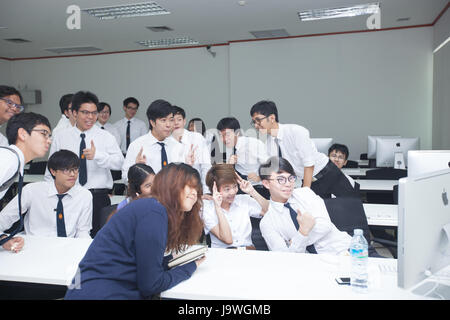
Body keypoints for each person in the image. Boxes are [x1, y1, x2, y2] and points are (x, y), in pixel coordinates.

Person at [64, 163, 205, 300]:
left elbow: (137, 262)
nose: (194, 193)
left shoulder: (151, 207)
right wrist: (190, 267)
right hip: (101, 293)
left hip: (98, 290)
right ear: (172, 185)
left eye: (197, 189)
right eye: (190, 186)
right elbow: (151, 285)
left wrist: (168, 262)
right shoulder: (154, 211)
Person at [45, 91, 124, 237]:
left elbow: (120, 163)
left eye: (94, 113)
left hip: (98, 198)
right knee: (68, 238)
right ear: (74, 113)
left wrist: (98, 156)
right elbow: (50, 169)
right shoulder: (62, 137)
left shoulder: (106, 136)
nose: (90, 117)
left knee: (99, 240)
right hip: (70, 196)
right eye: (85, 112)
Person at [250, 100, 358, 199]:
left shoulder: (295, 131)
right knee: (318, 215)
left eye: (258, 120)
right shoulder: (268, 143)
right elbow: (277, 167)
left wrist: (305, 191)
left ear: (272, 118)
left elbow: (309, 164)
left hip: (328, 174)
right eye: (253, 122)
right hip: (311, 182)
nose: (256, 125)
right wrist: (259, 178)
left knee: (352, 207)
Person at [258, 156, 351, 255]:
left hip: (343, 249)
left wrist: (294, 241)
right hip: (309, 263)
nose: (288, 184)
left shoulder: (306, 193)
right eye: (281, 179)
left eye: (291, 178)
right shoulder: (267, 223)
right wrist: (302, 232)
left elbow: (325, 226)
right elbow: (284, 257)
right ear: (266, 183)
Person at [0, 150, 92, 238]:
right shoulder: (32, 190)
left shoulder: (84, 195)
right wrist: (2, 237)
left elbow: (83, 231)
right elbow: (5, 218)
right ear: (53, 171)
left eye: (75, 169)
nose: (72, 174)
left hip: (67, 246)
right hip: (35, 243)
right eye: (66, 170)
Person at [0, 112, 52, 252]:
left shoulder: (12, 160)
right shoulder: (7, 159)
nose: (49, 140)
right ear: (22, 134)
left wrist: (2, 239)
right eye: (43, 133)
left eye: (49, 136)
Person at [202, 164, 269, 249]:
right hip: (222, 256)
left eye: (235, 186)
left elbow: (271, 212)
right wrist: (217, 207)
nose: (233, 192)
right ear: (214, 189)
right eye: (227, 189)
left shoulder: (243, 200)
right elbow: (228, 240)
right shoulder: (207, 208)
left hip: (248, 253)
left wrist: (252, 191)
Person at [122, 99, 188, 180]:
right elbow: (125, 177)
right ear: (152, 122)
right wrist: (136, 169)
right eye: (163, 120)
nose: (168, 125)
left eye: (171, 120)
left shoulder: (177, 146)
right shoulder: (137, 145)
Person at [216, 117, 270, 198]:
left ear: (237, 133)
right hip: (240, 190)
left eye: (227, 135)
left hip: (258, 190)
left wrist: (260, 177)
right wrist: (229, 165)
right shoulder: (230, 148)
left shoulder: (253, 144)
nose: (224, 139)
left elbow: (270, 166)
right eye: (221, 135)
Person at [172, 106, 211, 192]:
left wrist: (207, 191)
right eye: (172, 120)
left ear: (184, 121)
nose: (176, 123)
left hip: (196, 187)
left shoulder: (197, 137)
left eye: (179, 120)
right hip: (174, 190)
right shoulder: (166, 141)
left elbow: (206, 166)